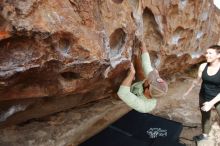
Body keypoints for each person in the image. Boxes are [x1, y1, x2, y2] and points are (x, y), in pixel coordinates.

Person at [117, 42, 168, 113]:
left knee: (119, 94)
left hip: (133, 95)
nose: (148, 78)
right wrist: (144, 49)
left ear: (147, 90)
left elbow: (122, 93)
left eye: (148, 81)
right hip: (138, 87)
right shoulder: (150, 87)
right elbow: (147, 66)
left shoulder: (144, 106)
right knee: (141, 72)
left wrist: (132, 74)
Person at [183, 45, 220, 141]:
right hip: (204, 96)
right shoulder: (203, 66)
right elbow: (196, 81)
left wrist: (211, 103)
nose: (207, 55)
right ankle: (205, 135)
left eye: (210, 53)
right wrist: (187, 92)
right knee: (205, 117)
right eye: (206, 53)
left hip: (218, 97)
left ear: (218, 55)